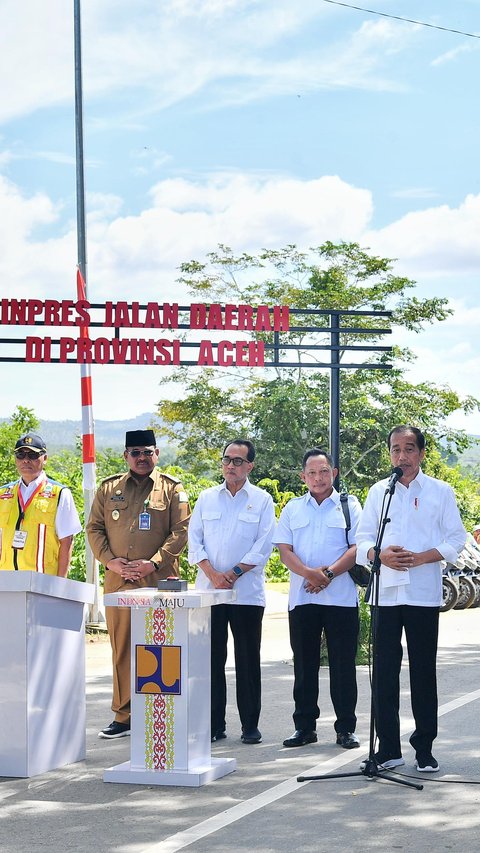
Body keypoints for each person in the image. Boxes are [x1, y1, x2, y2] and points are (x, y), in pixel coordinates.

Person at [356, 425, 466, 773]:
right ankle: (388, 748)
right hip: (385, 594)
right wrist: (378, 555)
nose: (401, 456)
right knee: (385, 673)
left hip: (422, 594)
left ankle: (424, 748)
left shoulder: (440, 491)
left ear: (420, 453)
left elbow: (456, 538)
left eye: (408, 449)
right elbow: (360, 540)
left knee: (422, 672)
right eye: (395, 450)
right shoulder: (379, 492)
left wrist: (423, 557)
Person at [87, 429, 190, 739]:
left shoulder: (172, 489)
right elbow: (94, 528)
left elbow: (181, 531)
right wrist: (110, 561)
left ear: (156, 454)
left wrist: (153, 562)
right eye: (136, 453)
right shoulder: (109, 489)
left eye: (148, 452)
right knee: (121, 647)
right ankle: (124, 714)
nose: (142, 458)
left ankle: (162, 711)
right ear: (126, 456)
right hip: (118, 580)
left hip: (159, 581)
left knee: (160, 647)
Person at [188, 438, 275, 745]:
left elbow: (264, 545)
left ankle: (250, 725)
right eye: (227, 459)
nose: (230, 466)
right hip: (210, 593)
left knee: (247, 660)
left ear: (250, 465)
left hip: (246, 594)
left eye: (238, 461)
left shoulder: (262, 500)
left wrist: (235, 572)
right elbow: (194, 541)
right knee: (211, 660)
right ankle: (214, 723)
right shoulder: (206, 498)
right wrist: (212, 574)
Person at [274, 448, 361, 750]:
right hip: (303, 600)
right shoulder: (292, 509)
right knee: (304, 665)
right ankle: (304, 728)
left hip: (340, 600)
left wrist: (328, 574)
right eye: (312, 472)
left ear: (333, 473)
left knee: (343, 667)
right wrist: (309, 574)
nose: (318, 477)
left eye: (324, 471)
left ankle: (346, 729)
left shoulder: (349, 506)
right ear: (303, 477)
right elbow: (285, 551)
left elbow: (356, 548)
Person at [0, 432, 81, 576]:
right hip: (7, 581)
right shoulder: (3, 493)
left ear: (45, 458)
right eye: (20, 455)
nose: (26, 460)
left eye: (32, 455)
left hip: (43, 583)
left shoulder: (60, 493)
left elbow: (66, 542)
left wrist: (60, 584)